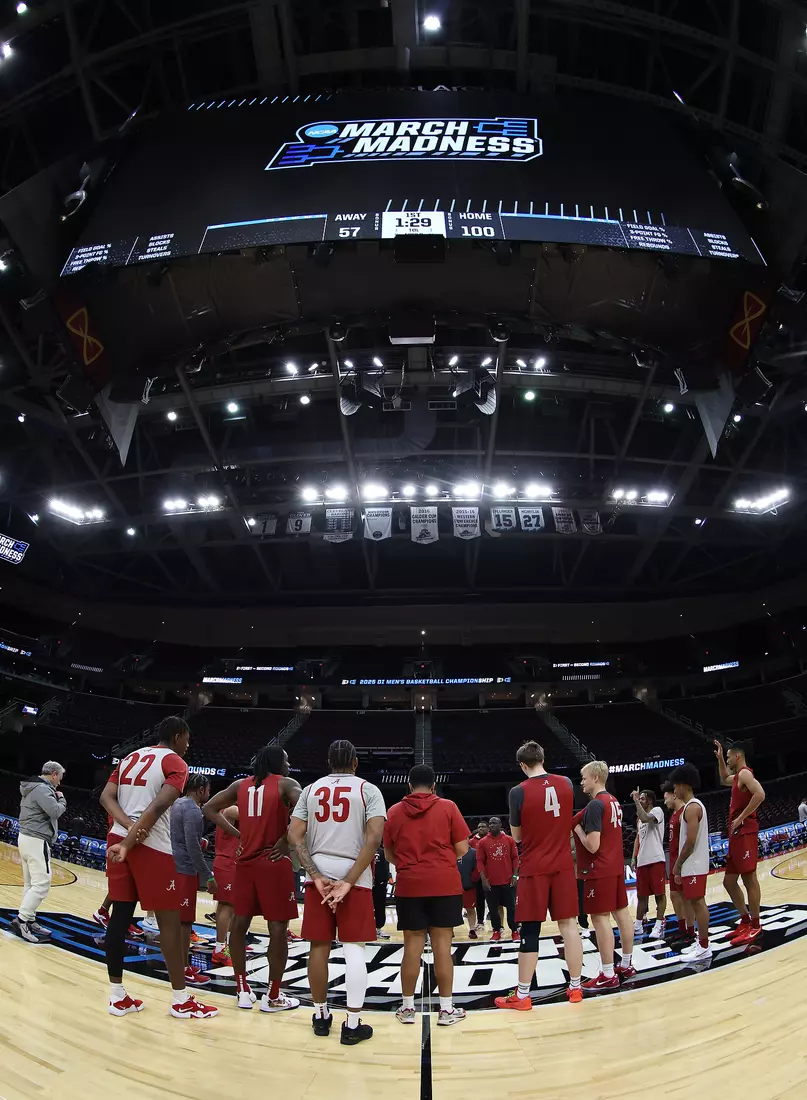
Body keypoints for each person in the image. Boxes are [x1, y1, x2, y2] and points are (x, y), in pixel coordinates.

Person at [102, 716, 217, 1019]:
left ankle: (116, 995)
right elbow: (156, 807)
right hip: (150, 846)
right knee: (169, 923)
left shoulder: (129, 757)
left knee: (120, 917)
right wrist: (132, 839)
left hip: (117, 837)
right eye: (187, 739)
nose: (188, 745)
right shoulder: (175, 762)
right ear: (177, 736)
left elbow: (106, 797)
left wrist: (125, 828)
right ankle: (180, 1000)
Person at [288, 739, 386, 1046]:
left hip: (319, 871)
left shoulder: (311, 789)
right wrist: (349, 881)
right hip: (353, 873)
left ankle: (320, 1016)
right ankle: (352, 1025)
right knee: (354, 948)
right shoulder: (368, 790)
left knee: (319, 947)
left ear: (328, 763)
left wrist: (315, 875)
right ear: (355, 763)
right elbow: (373, 839)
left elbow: (294, 835)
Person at [203, 745, 301, 1013]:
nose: (289, 764)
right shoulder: (286, 784)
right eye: (287, 759)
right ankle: (273, 995)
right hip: (273, 863)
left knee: (239, 926)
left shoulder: (240, 785)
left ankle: (242, 989)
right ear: (276, 762)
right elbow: (307, 806)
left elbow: (210, 809)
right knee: (278, 929)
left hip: (244, 864)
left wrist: (239, 835)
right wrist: (285, 840)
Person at [495, 740, 584, 1010]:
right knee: (569, 927)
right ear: (543, 758)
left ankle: (523, 995)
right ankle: (576, 987)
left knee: (530, 930)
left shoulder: (518, 791)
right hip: (563, 866)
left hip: (534, 867)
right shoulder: (566, 783)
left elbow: (518, 836)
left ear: (523, 764)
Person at [384, 764, 468, 1027]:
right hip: (444, 884)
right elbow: (462, 847)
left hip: (410, 885)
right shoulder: (448, 807)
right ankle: (446, 1010)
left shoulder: (394, 811)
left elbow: (389, 854)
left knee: (411, 948)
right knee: (443, 948)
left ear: (409, 785)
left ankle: (408, 1008)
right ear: (434, 786)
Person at [573, 760, 635, 993]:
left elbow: (592, 845)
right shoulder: (614, 801)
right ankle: (627, 965)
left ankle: (608, 973)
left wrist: (577, 829)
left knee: (600, 919)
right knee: (622, 914)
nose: (582, 782)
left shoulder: (596, 805)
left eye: (584, 777)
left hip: (600, 869)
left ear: (596, 778)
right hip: (616, 866)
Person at [714, 740, 766, 946]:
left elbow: (760, 794)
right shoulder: (737, 777)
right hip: (736, 834)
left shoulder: (745, 773)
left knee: (749, 879)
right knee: (729, 881)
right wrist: (718, 759)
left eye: (727, 756)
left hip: (745, 832)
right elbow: (724, 778)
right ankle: (745, 920)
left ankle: (755, 924)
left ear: (737, 756)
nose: (726, 759)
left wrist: (742, 817)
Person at [169, 775, 217, 988]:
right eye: (208, 789)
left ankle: (180, 964)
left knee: (179, 920)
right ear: (200, 790)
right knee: (185, 922)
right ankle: (182, 968)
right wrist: (209, 876)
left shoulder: (177, 803)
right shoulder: (193, 811)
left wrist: (201, 842)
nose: (209, 793)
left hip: (173, 865)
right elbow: (192, 847)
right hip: (185, 869)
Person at [12, 761, 67, 943]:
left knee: (31, 884)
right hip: (36, 839)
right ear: (53, 774)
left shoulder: (32, 786)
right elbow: (55, 811)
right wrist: (61, 798)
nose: (60, 782)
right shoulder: (43, 790)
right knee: (42, 883)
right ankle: (21, 920)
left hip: (26, 837)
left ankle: (30, 918)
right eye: (59, 777)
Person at [670, 762, 712, 962]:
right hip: (692, 864)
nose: (674, 790)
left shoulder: (692, 807)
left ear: (685, 784)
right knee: (695, 904)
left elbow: (691, 841)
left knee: (698, 902)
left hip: (694, 864)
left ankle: (704, 946)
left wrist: (678, 864)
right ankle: (700, 942)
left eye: (676, 785)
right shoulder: (690, 806)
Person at [630, 788, 667, 939]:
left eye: (643, 799)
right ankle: (638, 925)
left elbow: (646, 818)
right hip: (642, 861)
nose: (641, 801)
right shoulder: (639, 819)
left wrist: (636, 801)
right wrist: (633, 858)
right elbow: (637, 839)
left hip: (656, 859)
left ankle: (659, 924)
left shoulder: (657, 811)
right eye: (641, 799)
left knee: (660, 895)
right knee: (641, 896)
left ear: (650, 801)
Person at [661, 781, 695, 942]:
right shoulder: (674, 814)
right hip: (674, 860)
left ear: (674, 795)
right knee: (675, 895)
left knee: (685, 897)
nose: (664, 800)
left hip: (681, 862)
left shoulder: (684, 812)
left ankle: (690, 931)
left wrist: (681, 866)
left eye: (666, 796)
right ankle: (682, 929)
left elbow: (688, 841)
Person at [476, 816, 519, 941]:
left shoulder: (509, 840)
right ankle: (496, 930)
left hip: (508, 880)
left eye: (494, 823)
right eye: (490, 823)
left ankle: (514, 931)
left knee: (511, 907)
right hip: (491, 882)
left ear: (500, 825)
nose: (491, 825)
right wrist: (483, 879)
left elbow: (515, 859)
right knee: (493, 908)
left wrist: (515, 876)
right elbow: (480, 861)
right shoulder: (483, 842)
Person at [210, 804, 239, 965]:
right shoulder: (230, 809)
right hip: (228, 863)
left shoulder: (224, 811)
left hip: (228, 862)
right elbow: (241, 813)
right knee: (227, 907)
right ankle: (220, 949)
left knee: (227, 906)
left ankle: (226, 945)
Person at [469, 821, 489, 927]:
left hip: (491, 874)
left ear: (488, 828)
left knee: (493, 900)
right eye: (479, 827)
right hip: (477, 875)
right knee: (479, 900)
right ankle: (480, 921)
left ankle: (497, 923)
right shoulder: (471, 842)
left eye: (483, 827)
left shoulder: (491, 840)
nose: (481, 828)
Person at [458, 842, 479, 938]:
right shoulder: (451, 851)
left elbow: (477, 868)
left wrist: (473, 880)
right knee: (451, 910)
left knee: (470, 909)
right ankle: (450, 930)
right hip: (453, 887)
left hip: (468, 886)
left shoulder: (473, 852)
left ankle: (472, 929)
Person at [373, 843, 391, 940]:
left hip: (380, 884)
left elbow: (386, 868)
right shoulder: (366, 850)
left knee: (379, 906)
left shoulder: (383, 851)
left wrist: (387, 878)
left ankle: (378, 929)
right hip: (368, 883)